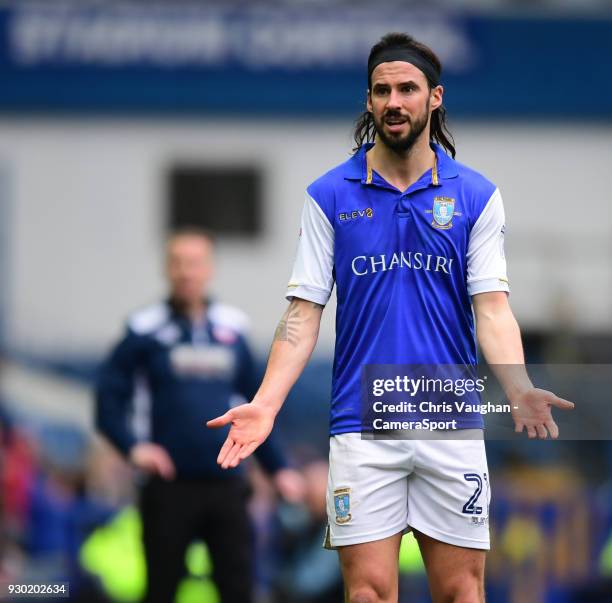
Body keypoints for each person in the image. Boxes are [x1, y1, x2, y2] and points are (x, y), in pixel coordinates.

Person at [207, 32, 574, 603]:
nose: (394, 101)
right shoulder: (329, 194)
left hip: (448, 422)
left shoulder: (475, 195)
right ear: (369, 101)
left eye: (407, 88)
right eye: (382, 90)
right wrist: (266, 404)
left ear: (435, 98)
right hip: (361, 428)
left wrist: (518, 385)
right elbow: (303, 314)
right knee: (370, 593)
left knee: (461, 592)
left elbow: (493, 310)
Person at [96, 227, 303, 603]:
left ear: (209, 269)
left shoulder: (232, 328)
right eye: (177, 263)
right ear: (166, 269)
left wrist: (280, 470)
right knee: (161, 589)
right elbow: (107, 403)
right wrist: (133, 449)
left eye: (194, 263)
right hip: (167, 486)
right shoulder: (143, 331)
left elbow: (259, 407)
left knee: (238, 588)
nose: (186, 271)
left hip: (227, 484)